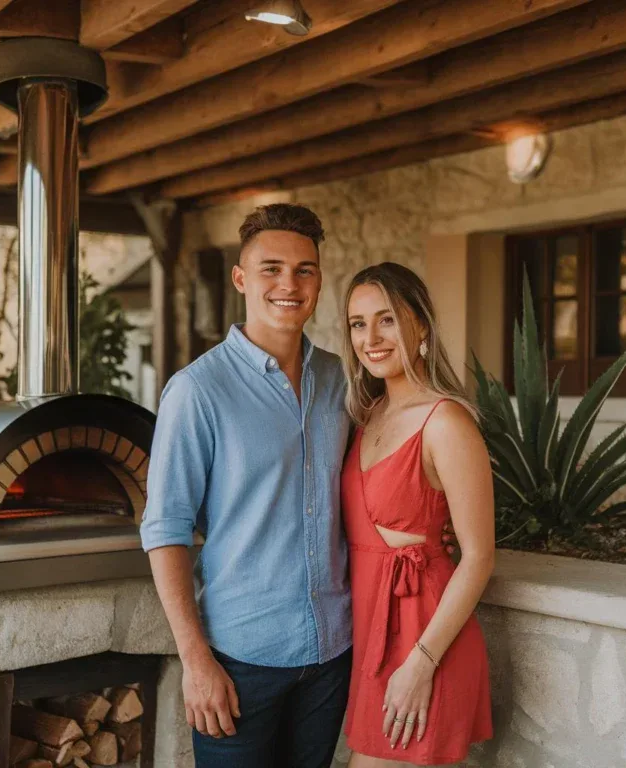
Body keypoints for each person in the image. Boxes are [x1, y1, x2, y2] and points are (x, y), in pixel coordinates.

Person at [140, 203, 353, 768]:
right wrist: (195, 659)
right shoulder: (196, 391)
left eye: (305, 269)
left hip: (332, 654)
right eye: (271, 268)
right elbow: (166, 530)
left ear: (319, 280)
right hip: (240, 661)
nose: (290, 283)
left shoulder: (341, 379)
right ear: (241, 279)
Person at [340, 262, 494, 767]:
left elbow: (477, 556)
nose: (371, 337)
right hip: (372, 636)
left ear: (420, 324)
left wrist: (421, 664)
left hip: (424, 641)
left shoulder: (446, 421)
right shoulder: (366, 415)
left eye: (387, 319)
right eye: (358, 323)